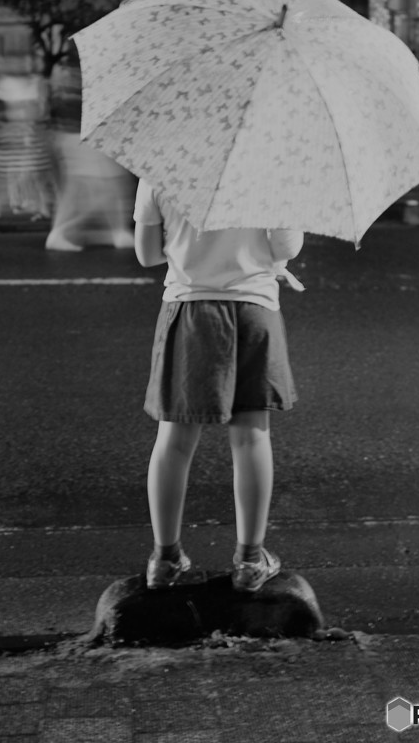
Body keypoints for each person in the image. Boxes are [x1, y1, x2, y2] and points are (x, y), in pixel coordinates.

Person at [134, 178, 303, 592]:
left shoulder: (160, 167)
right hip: (253, 311)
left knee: (173, 439)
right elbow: (286, 249)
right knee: (250, 437)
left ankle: (165, 559)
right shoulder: (271, 168)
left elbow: (146, 255)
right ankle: (249, 560)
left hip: (190, 311)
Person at [45, 46, 135, 251]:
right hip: (84, 135)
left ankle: (116, 230)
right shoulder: (86, 75)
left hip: (74, 135)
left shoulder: (69, 74)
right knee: (109, 183)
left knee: (92, 185)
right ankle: (65, 231)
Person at [0, 52, 53, 219]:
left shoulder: (33, 83)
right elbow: (41, 110)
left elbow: (42, 110)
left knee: (29, 173)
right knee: (7, 173)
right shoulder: (2, 83)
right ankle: (1, 208)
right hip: (15, 133)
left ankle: (38, 207)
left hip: (21, 133)